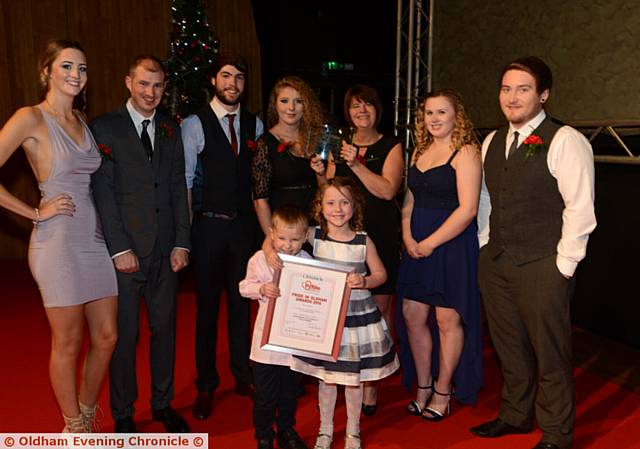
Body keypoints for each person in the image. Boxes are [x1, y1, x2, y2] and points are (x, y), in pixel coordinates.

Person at [470, 57, 596, 449]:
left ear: (543, 95)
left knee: (551, 353)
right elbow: (487, 198)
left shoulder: (565, 139)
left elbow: (581, 208)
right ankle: (514, 415)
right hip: (497, 260)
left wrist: (563, 266)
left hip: (544, 263)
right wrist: (485, 243)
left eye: (523, 89)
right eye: (506, 89)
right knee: (508, 347)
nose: (512, 97)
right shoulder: (491, 141)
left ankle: (557, 433)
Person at [0, 39, 117, 432]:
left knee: (106, 336)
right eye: (67, 66)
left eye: (82, 69)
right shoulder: (30, 118)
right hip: (58, 243)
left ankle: (85, 409)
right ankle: (73, 426)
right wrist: (35, 211)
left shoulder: (82, 120)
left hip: (94, 240)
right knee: (67, 342)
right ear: (46, 71)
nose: (75, 75)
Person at [91, 55, 191, 433]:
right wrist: (118, 249)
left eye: (159, 85)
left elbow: (177, 186)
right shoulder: (104, 127)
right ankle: (123, 413)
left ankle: (163, 403)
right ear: (128, 82)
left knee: (164, 331)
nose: (151, 92)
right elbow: (103, 192)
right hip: (125, 254)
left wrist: (183, 241)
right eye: (144, 84)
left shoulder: (170, 128)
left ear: (165, 88)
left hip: (166, 251)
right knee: (125, 336)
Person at [181, 52, 264, 420]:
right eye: (226, 76)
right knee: (207, 311)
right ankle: (206, 385)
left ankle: (243, 375)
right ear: (214, 81)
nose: (232, 83)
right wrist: (184, 236)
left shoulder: (255, 124)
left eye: (239, 77)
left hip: (243, 230)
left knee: (241, 305)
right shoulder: (194, 124)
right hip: (208, 228)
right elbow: (184, 182)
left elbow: (259, 182)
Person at [311, 85, 403, 415]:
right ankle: (339, 373)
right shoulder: (337, 144)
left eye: (367, 105)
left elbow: (388, 189)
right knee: (339, 312)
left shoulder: (391, 145)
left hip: (378, 233)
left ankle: (370, 386)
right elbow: (331, 193)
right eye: (354, 106)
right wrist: (321, 175)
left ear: (378, 109)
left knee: (376, 315)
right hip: (343, 235)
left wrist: (359, 163)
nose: (361, 111)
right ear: (347, 112)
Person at [289, 177, 400, 449]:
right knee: (326, 378)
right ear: (319, 206)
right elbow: (283, 239)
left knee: (352, 379)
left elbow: (381, 273)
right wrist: (268, 250)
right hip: (324, 321)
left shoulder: (363, 241)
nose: (337, 209)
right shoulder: (313, 236)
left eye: (344, 202)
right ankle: (325, 430)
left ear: (355, 206)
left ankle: (353, 431)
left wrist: (364, 281)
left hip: (355, 319)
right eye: (330, 202)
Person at [396, 89, 483, 421]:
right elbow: (409, 199)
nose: (434, 119)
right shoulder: (420, 149)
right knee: (412, 315)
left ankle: (444, 390)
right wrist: (406, 235)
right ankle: (423, 385)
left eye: (441, 112)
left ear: (455, 115)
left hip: (451, 245)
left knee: (447, 320)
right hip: (416, 243)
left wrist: (430, 242)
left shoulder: (467, 153)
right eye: (429, 113)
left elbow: (468, 209)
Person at [239, 205, 311, 449]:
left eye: (294, 239)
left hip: (294, 344)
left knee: (291, 393)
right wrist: (261, 288)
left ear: (304, 237)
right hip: (265, 346)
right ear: (271, 233)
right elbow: (243, 287)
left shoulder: (307, 262)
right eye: (281, 238)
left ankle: (286, 430)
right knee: (264, 396)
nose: (287, 245)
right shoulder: (259, 259)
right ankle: (264, 434)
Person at [252, 75, 325, 235]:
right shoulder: (265, 143)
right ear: (275, 104)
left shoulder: (316, 140)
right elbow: (260, 201)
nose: (291, 108)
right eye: (284, 101)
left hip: (313, 226)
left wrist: (321, 175)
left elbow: (327, 189)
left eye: (298, 101)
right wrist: (272, 238)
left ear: (306, 106)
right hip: (283, 230)